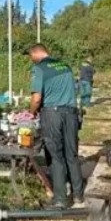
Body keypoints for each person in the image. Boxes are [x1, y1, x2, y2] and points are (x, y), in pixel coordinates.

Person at [26, 43, 85, 209]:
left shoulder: (39, 68)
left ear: (36, 54)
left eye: (31, 57)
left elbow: (37, 98)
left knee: (55, 156)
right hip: (71, 113)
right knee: (72, 155)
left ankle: (60, 199)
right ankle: (78, 196)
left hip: (52, 114)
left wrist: (31, 112)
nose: (31, 60)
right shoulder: (65, 66)